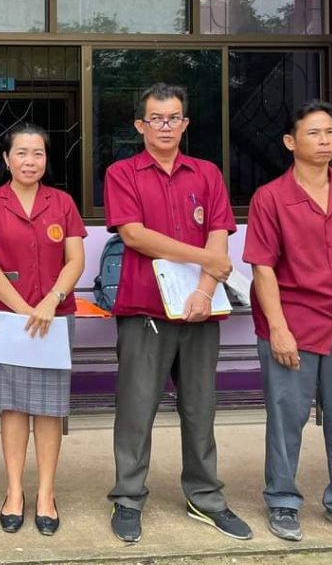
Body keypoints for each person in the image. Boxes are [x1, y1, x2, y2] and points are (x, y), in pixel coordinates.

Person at [103, 82, 251, 544]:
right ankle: (129, 498)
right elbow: (134, 235)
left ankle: (205, 496)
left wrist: (205, 291)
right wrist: (206, 259)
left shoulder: (206, 173)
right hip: (144, 309)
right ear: (140, 125)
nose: (164, 126)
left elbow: (219, 233)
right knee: (136, 409)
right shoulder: (123, 173)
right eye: (156, 118)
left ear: (185, 123)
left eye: (173, 118)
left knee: (200, 408)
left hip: (201, 311)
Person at [243, 100, 332, 548]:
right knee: (285, 418)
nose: (325, 141)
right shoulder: (270, 198)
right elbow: (262, 268)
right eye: (314, 133)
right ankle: (282, 501)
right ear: (290, 141)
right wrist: (278, 327)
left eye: (330, 132)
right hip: (294, 325)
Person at [0, 123, 86, 536]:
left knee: (50, 409)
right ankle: (15, 491)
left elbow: (75, 260)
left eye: (38, 153)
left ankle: (46, 494)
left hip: (55, 317)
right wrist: (24, 310)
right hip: (6, 320)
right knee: (14, 406)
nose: (30, 161)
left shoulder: (63, 202)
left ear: (46, 159)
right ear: (6, 159)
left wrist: (51, 299)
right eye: (21, 153)